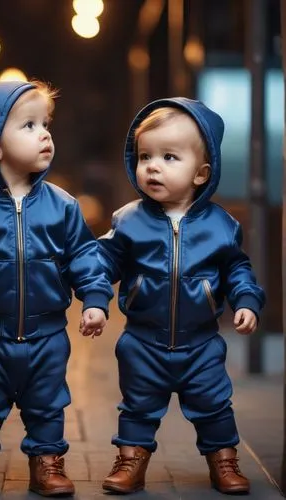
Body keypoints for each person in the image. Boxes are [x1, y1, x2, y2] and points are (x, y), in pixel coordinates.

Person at [0, 80, 113, 497]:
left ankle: (47, 463)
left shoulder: (62, 205)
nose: (45, 133)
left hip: (47, 332)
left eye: (45, 124)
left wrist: (95, 299)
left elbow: (84, 255)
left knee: (48, 402)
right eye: (28, 126)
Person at [98, 97, 265, 495]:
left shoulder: (221, 226)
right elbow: (102, 261)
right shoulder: (128, 221)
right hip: (142, 341)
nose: (152, 166)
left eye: (169, 157)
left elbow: (237, 268)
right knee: (137, 406)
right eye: (144, 156)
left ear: (201, 174)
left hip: (201, 342)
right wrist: (94, 297)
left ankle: (224, 462)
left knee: (214, 406)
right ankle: (131, 462)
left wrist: (246, 301)